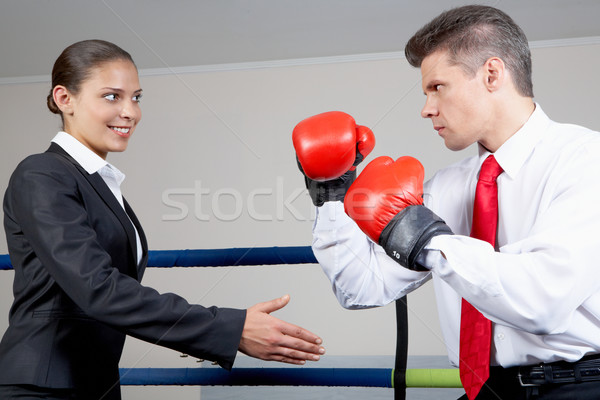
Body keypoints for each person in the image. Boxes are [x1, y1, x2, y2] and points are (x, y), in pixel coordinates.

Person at [294, 5, 600, 400]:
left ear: (492, 74)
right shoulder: (448, 187)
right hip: (486, 390)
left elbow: (542, 301)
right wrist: (331, 196)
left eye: (437, 87)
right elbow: (362, 288)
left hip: (580, 387)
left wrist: (426, 240)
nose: (426, 109)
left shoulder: (585, 159)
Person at [0, 39, 325, 400]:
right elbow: (99, 289)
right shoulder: (41, 174)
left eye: (136, 97)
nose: (130, 112)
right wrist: (231, 329)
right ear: (65, 99)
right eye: (112, 96)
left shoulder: (97, 182)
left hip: (93, 382)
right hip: (42, 385)